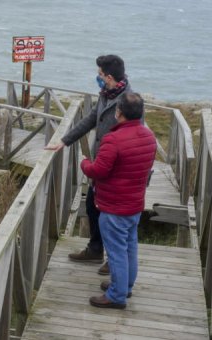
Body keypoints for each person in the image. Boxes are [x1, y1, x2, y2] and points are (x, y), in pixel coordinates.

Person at [45, 55, 132, 275]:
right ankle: (95, 249)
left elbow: (135, 135)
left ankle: (115, 262)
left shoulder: (129, 100)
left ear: (109, 76)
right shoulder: (106, 93)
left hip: (118, 167)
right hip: (103, 161)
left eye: (100, 74)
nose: (97, 77)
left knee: (112, 217)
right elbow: (91, 118)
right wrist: (64, 141)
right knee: (93, 205)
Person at [80, 92, 157, 308]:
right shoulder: (149, 137)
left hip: (114, 206)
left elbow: (98, 171)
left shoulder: (113, 139)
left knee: (115, 253)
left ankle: (116, 295)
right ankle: (126, 286)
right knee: (129, 247)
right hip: (134, 204)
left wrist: (84, 163)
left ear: (118, 112)